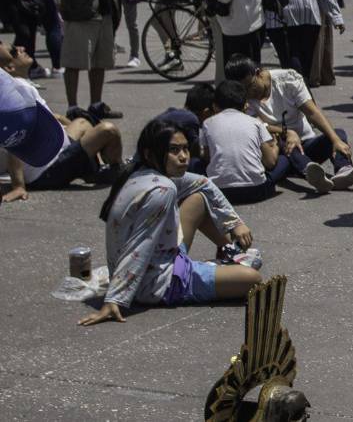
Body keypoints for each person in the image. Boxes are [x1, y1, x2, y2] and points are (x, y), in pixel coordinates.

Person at [79, 119, 261, 326]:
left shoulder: (140, 172)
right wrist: (115, 300)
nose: (183, 157)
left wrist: (234, 223)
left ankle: (229, 250)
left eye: (185, 149)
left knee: (198, 199)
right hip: (158, 283)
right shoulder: (162, 190)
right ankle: (219, 267)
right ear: (150, 153)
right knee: (252, 279)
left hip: (164, 256)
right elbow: (140, 246)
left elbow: (203, 183)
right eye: (174, 150)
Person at [225, 55, 353, 195]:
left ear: (259, 73)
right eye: (243, 90)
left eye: (250, 86)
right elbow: (253, 126)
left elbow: (312, 113)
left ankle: (343, 170)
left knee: (338, 133)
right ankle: (309, 171)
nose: (249, 93)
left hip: (306, 145)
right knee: (282, 140)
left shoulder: (287, 80)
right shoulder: (242, 98)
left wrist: (335, 140)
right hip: (279, 153)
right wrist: (287, 132)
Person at [0, 41, 123, 201]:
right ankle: (116, 169)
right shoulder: (11, 96)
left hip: (55, 150)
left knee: (82, 122)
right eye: (14, 51)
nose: (21, 48)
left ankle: (93, 168)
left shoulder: (20, 87)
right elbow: (14, 137)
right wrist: (18, 186)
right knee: (108, 129)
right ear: (9, 67)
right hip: (47, 168)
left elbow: (53, 118)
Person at [200, 80, 290, 203]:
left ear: (215, 106)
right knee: (284, 160)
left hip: (219, 192)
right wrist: (275, 146)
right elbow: (270, 162)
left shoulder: (207, 123)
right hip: (256, 191)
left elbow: (207, 158)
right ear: (245, 105)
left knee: (195, 163)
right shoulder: (256, 123)